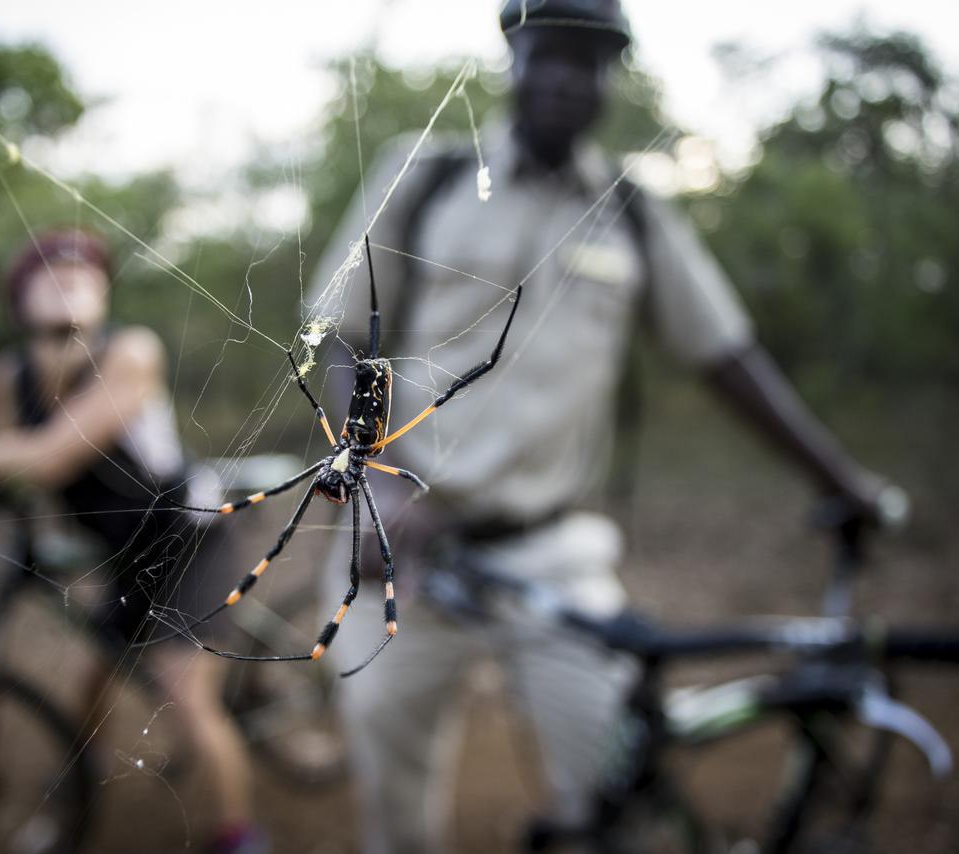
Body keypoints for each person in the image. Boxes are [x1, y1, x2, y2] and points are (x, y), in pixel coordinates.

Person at [308, 2, 901, 851]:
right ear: (513, 59)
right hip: (404, 542)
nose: (565, 78)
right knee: (390, 782)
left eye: (590, 62)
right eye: (548, 54)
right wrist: (368, 480)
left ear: (611, 78)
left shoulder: (633, 214)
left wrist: (842, 481)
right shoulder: (427, 173)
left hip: (551, 550)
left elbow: (726, 355)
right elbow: (342, 336)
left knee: (614, 778)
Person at [0, 228, 266, 854]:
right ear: (17, 301)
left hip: (187, 535)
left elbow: (44, 460)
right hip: (125, 552)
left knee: (184, 693)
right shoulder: (10, 375)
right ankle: (80, 799)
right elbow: (10, 465)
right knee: (93, 682)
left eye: (86, 270)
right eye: (46, 269)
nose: (68, 273)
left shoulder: (130, 353)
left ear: (104, 295)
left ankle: (241, 836)